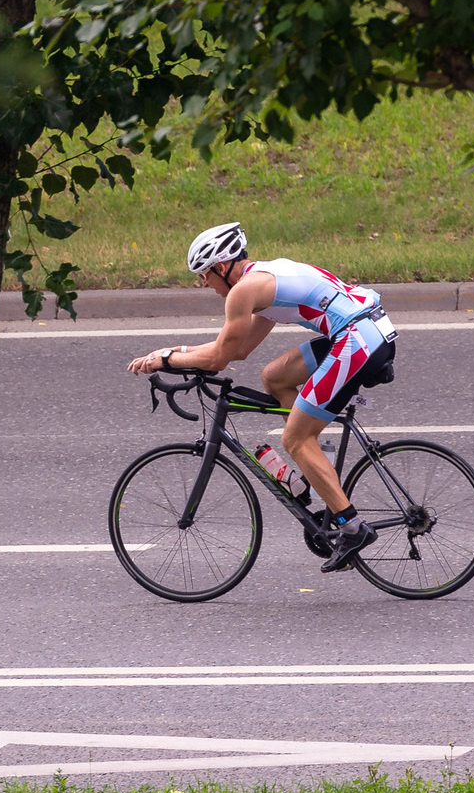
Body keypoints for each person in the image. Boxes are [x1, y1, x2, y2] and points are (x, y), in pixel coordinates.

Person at [126, 221, 396, 568]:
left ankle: (353, 527)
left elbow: (219, 359)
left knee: (296, 440)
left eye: (204, 274)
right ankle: (314, 474)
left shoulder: (243, 292)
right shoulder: (263, 280)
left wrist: (165, 359)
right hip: (367, 329)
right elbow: (237, 350)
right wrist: (176, 352)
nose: (203, 283)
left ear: (221, 267)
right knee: (274, 377)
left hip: (356, 340)